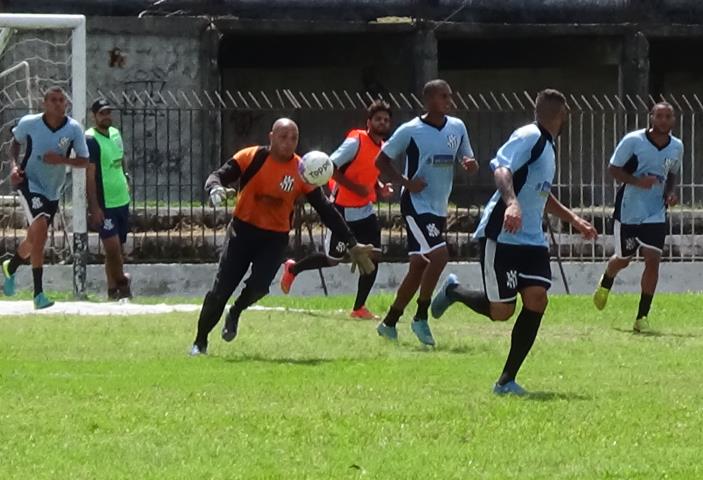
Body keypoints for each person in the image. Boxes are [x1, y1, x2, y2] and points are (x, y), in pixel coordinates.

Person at [430, 89, 597, 395]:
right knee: (501, 311)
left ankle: (506, 381)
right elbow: (502, 169)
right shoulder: (529, 136)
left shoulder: (548, 146)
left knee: (537, 299)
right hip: (503, 234)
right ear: (561, 114)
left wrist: (574, 220)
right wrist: (511, 203)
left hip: (532, 238)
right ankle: (454, 291)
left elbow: (540, 192)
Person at [190, 118, 376, 356]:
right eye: (283, 137)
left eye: (293, 138)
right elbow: (218, 175)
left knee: (259, 287)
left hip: (274, 238)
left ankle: (235, 311)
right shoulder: (252, 156)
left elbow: (326, 210)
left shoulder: (303, 170)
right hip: (242, 232)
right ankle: (199, 342)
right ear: (271, 137)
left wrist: (352, 243)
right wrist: (215, 188)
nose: (288, 143)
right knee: (220, 291)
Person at [373, 79, 478, 346]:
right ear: (428, 100)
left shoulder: (457, 127)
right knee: (439, 255)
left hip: (439, 205)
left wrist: (469, 164)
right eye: (443, 96)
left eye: (449, 96)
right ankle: (421, 316)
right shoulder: (411, 130)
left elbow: (467, 158)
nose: (448, 101)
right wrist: (405, 182)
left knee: (419, 265)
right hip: (416, 204)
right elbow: (381, 161)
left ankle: (389, 322)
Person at [279, 100, 394, 319]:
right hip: (342, 210)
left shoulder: (383, 147)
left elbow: (369, 172)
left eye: (386, 120)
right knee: (333, 260)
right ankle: (293, 269)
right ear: (369, 122)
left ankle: (359, 308)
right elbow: (329, 167)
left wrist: (379, 188)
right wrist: (356, 188)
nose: (382, 123)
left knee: (374, 256)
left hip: (365, 212)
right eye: (378, 119)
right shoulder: (356, 142)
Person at [592, 102, 683, 333]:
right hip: (630, 209)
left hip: (655, 212)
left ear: (673, 120)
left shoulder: (677, 146)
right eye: (659, 116)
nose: (663, 120)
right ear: (651, 118)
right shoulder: (634, 141)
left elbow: (671, 173)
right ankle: (607, 279)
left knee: (653, 260)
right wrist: (636, 181)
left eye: (668, 116)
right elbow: (613, 168)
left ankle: (642, 316)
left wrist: (670, 193)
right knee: (624, 259)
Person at [2, 86, 90, 309]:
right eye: (53, 100)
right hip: (29, 182)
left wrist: (61, 161)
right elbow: (14, 143)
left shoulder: (73, 129)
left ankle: (10, 267)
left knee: (35, 238)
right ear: (44, 103)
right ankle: (38, 294)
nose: (58, 104)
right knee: (40, 231)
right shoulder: (30, 123)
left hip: (53, 189)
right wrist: (13, 167)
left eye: (62, 100)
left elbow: (84, 160)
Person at [85, 99, 132, 300]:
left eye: (108, 112)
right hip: (105, 203)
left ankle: (112, 291)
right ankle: (123, 282)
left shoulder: (115, 133)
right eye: (102, 113)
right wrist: (94, 207)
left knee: (117, 249)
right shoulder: (90, 139)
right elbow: (90, 175)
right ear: (94, 116)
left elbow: (121, 160)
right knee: (112, 249)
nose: (106, 116)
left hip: (121, 198)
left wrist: (126, 178)